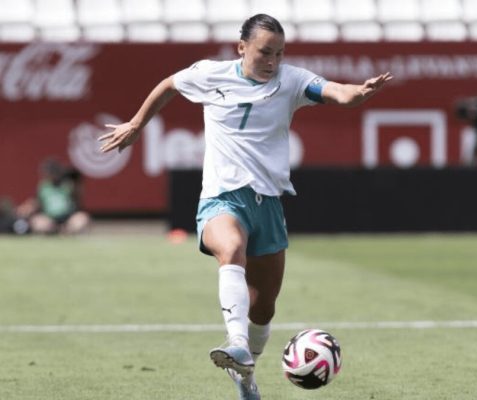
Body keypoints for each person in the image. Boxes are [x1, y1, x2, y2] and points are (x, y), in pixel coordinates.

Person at [99, 14, 392, 400]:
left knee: (264, 306)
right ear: (242, 47)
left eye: (279, 53)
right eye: (265, 52)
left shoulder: (291, 81)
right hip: (222, 197)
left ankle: (245, 374)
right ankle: (236, 342)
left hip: (267, 203)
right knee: (231, 248)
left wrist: (356, 93)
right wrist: (137, 124)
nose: (273, 61)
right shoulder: (210, 74)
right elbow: (169, 84)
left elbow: (334, 90)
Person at [16, 158, 91, 235]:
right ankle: (55, 230)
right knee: (38, 222)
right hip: (50, 219)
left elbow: (78, 194)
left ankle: (66, 230)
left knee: (82, 218)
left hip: (68, 218)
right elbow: (36, 202)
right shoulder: (44, 187)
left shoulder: (68, 184)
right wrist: (27, 208)